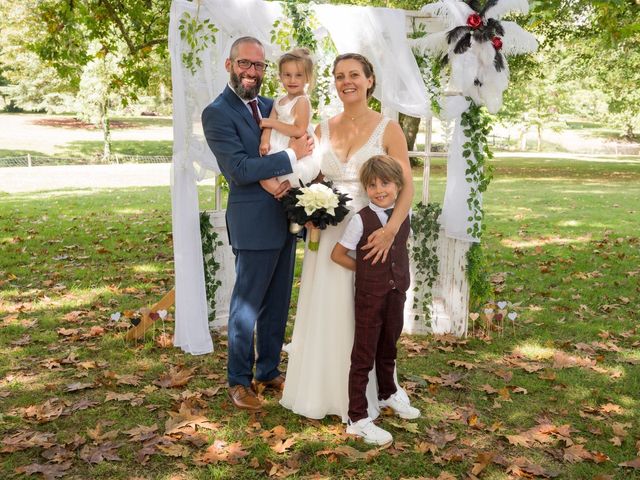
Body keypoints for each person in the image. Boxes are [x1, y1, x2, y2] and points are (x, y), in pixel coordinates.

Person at [280, 53, 414, 422]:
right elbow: (311, 177)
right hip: (327, 235)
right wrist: (306, 209)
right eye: (339, 76)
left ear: (370, 80)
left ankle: (380, 389)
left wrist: (390, 230)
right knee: (329, 307)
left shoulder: (389, 128)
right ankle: (324, 390)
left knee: (370, 314)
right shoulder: (322, 128)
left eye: (354, 74)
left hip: (373, 235)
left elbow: (406, 186)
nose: (346, 81)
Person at [201, 36, 312, 411]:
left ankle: (268, 370)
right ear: (229, 64)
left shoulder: (272, 105)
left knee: (278, 303)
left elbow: (304, 140)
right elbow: (239, 169)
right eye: (244, 63)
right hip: (252, 221)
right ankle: (238, 379)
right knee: (246, 306)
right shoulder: (216, 113)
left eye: (258, 66)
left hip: (287, 218)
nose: (251, 71)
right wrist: (289, 158)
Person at [331, 155, 420, 445]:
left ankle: (387, 393)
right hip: (369, 296)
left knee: (388, 346)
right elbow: (338, 254)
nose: (379, 190)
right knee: (363, 354)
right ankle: (356, 417)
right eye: (372, 185)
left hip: (397, 292)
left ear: (398, 185)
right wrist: (366, 270)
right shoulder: (361, 220)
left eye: (385, 183)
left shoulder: (403, 216)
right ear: (365, 189)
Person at [259, 48, 319, 191]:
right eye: (287, 75)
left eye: (298, 75)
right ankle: (281, 194)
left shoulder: (302, 101)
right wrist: (264, 141)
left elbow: (299, 130)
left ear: (307, 78)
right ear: (280, 76)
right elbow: (268, 125)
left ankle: (287, 194)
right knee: (264, 175)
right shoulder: (279, 100)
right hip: (277, 145)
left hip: (294, 144)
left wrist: (272, 122)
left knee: (289, 176)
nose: (292, 80)